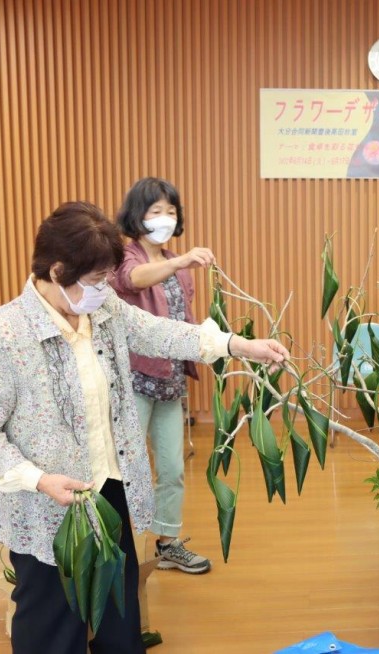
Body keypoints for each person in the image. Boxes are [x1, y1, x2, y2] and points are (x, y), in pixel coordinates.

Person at [0, 201, 289, 654]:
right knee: (53, 627)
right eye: (95, 280)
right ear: (56, 270)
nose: (104, 289)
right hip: (46, 505)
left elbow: (157, 331)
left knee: (119, 621)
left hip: (110, 489)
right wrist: (38, 480)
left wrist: (237, 344)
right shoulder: (2, 332)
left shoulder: (103, 308)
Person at [111, 177, 215, 574]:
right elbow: (132, 280)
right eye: (156, 212)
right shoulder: (127, 257)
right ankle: (116, 547)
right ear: (137, 216)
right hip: (135, 382)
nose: (165, 219)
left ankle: (168, 542)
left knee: (171, 468)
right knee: (124, 469)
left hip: (170, 383)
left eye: (171, 212)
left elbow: (180, 320)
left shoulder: (178, 268)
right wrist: (179, 260)